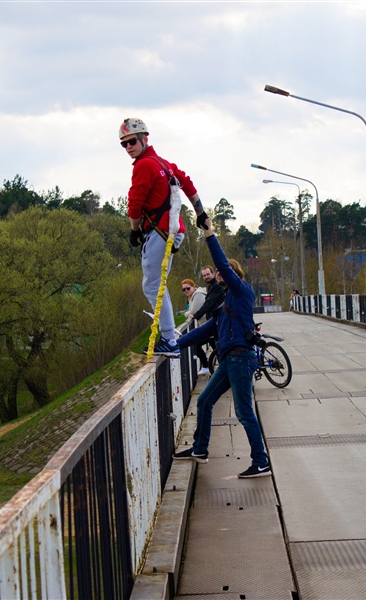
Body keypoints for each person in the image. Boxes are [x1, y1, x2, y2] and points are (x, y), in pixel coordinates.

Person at [171, 215, 271, 479]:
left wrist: (209, 235)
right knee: (204, 402)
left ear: (234, 275)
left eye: (220, 273)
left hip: (241, 359)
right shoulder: (225, 304)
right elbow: (206, 330)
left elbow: (223, 266)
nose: (216, 275)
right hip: (229, 360)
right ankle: (200, 450)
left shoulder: (242, 292)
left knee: (244, 412)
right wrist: (174, 345)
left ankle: (261, 462)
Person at [119, 118, 207, 356]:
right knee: (158, 285)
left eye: (132, 141)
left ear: (145, 139)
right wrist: (201, 213)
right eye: (124, 144)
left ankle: (169, 340)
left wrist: (134, 230)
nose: (128, 147)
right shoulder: (164, 163)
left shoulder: (143, 166)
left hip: (159, 232)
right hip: (173, 230)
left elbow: (135, 204)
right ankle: (170, 336)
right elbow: (187, 184)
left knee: (152, 285)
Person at [181, 278, 210, 375]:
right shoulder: (193, 296)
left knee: (196, 344)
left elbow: (193, 311)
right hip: (205, 325)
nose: (186, 291)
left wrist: (186, 314)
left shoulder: (198, 295)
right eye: (184, 289)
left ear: (194, 287)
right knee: (216, 348)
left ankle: (206, 366)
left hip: (207, 325)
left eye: (188, 288)